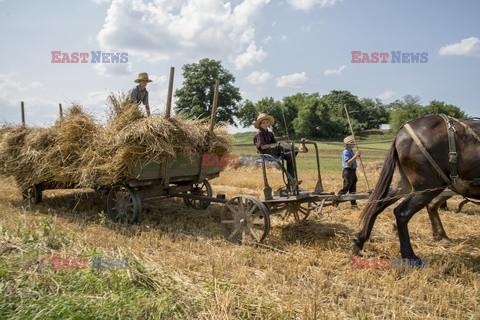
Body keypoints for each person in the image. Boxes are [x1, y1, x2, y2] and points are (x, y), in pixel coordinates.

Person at [253, 113, 300, 188]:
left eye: (267, 122)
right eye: (263, 123)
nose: (265, 124)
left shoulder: (270, 134)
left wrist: (285, 143)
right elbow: (262, 147)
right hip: (265, 153)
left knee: (290, 158)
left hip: (273, 151)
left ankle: (291, 180)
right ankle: (297, 149)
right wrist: (276, 144)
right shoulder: (260, 133)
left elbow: (276, 143)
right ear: (260, 124)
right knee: (280, 144)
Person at [338, 135, 361, 208]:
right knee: (347, 186)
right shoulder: (346, 152)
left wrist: (356, 155)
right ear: (348, 144)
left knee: (353, 188)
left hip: (353, 171)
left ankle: (353, 204)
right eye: (352, 143)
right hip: (348, 171)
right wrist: (355, 156)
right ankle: (337, 198)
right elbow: (348, 163)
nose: (354, 144)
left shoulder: (351, 151)